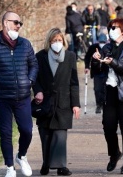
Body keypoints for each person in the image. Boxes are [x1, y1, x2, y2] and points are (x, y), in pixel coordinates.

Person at [0, 11, 38, 177]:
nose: (18, 26)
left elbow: (34, 65)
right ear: (5, 23)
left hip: (23, 96)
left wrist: (30, 81)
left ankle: (21, 156)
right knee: (6, 133)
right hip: (2, 98)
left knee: (27, 130)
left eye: (20, 23)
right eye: (15, 22)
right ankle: (10, 167)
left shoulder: (25, 44)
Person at [92, 18, 123, 174]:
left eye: (114, 27)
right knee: (108, 125)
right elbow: (99, 70)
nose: (111, 30)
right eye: (110, 28)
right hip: (110, 90)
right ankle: (114, 154)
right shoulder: (107, 47)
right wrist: (96, 61)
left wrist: (112, 63)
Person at [33, 28, 81, 175]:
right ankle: (46, 163)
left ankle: (61, 166)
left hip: (63, 102)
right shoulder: (40, 56)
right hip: (45, 102)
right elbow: (34, 78)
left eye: (59, 40)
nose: (57, 43)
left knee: (60, 135)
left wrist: (76, 104)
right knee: (45, 134)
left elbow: (74, 82)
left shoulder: (70, 56)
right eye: (54, 41)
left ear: (64, 41)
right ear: (49, 42)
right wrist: (38, 91)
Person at [85, 33, 109, 113]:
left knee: (105, 88)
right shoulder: (93, 48)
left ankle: (104, 103)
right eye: (100, 42)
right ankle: (98, 104)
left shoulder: (109, 47)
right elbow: (87, 57)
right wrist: (87, 67)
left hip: (106, 71)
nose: (102, 44)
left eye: (103, 42)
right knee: (97, 89)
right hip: (96, 72)